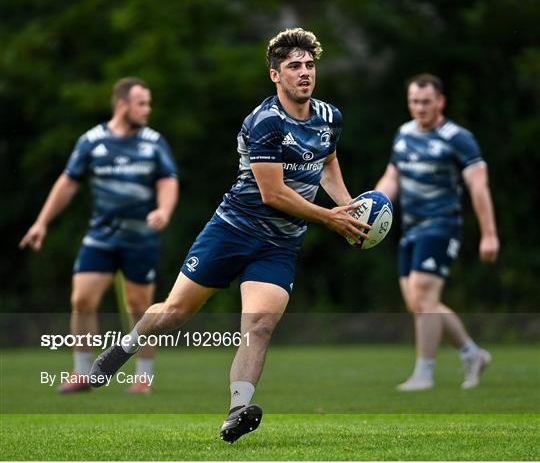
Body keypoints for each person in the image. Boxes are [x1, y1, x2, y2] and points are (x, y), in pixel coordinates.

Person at [89, 28, 370, 443]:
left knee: (258, 326)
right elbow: (273, 194)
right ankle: (125, 347)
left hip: (279, 245)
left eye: (310, 65)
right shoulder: (265, 123)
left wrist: (348, 209)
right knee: (175, 313)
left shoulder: (330, 117)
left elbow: (327, 163)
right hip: (231, 231)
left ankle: (237, 410)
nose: (305, 73)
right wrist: (331, 218)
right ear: (276, 76)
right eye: (294, 67)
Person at [19, 77, 179, 394]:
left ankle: (143, 378)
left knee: (139, 307)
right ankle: (81, 373)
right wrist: (41, 222)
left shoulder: (153, 142)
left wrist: (163, 211)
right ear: (122, 104)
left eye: (149, 103)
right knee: (81, 300)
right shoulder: (92, 141)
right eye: (141, 103)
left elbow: (168, 182)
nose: (147, 110)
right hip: (101, 237)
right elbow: (67, 183)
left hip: (140, 238)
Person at [376, 73, 499, 391]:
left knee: (425, 298)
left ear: (440, 102)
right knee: (418, 303)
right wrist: (373, 208)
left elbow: (478, 185)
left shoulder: (458, 137)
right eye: (414, 102)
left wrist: (489, 233)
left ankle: (423, 374)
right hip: (411, 228)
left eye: (426, 102)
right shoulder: (403, 134)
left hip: (442, 225)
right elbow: (392, 177)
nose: (420, 108)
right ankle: (472, 354)